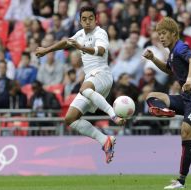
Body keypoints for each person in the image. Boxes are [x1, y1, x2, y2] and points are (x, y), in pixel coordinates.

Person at [35, 6, 126, 164]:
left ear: (95, 19)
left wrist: (81, 47)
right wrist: (46, 50)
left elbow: (100, 50)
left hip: (102, 74)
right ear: (80, 21)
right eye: (84, 19)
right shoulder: (80, 34)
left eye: (91, 18)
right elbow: (66, 42)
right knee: (70, 119)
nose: (88, 21)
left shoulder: (100, 32)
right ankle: (105, 140)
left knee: (84, 89)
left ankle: (113, 114)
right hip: (90, 79)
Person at [143, 17, 191, 189]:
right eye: (159, 34)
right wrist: (153, 59)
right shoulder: (173, 52)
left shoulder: (181, 47)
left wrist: (189, 79)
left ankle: (181, 181)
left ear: (174, 34)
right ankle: (166, 112)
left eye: (164, 33)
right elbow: (168, 70)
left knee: (185, 131)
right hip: (186, 98)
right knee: (152, 96)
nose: (161, 37)